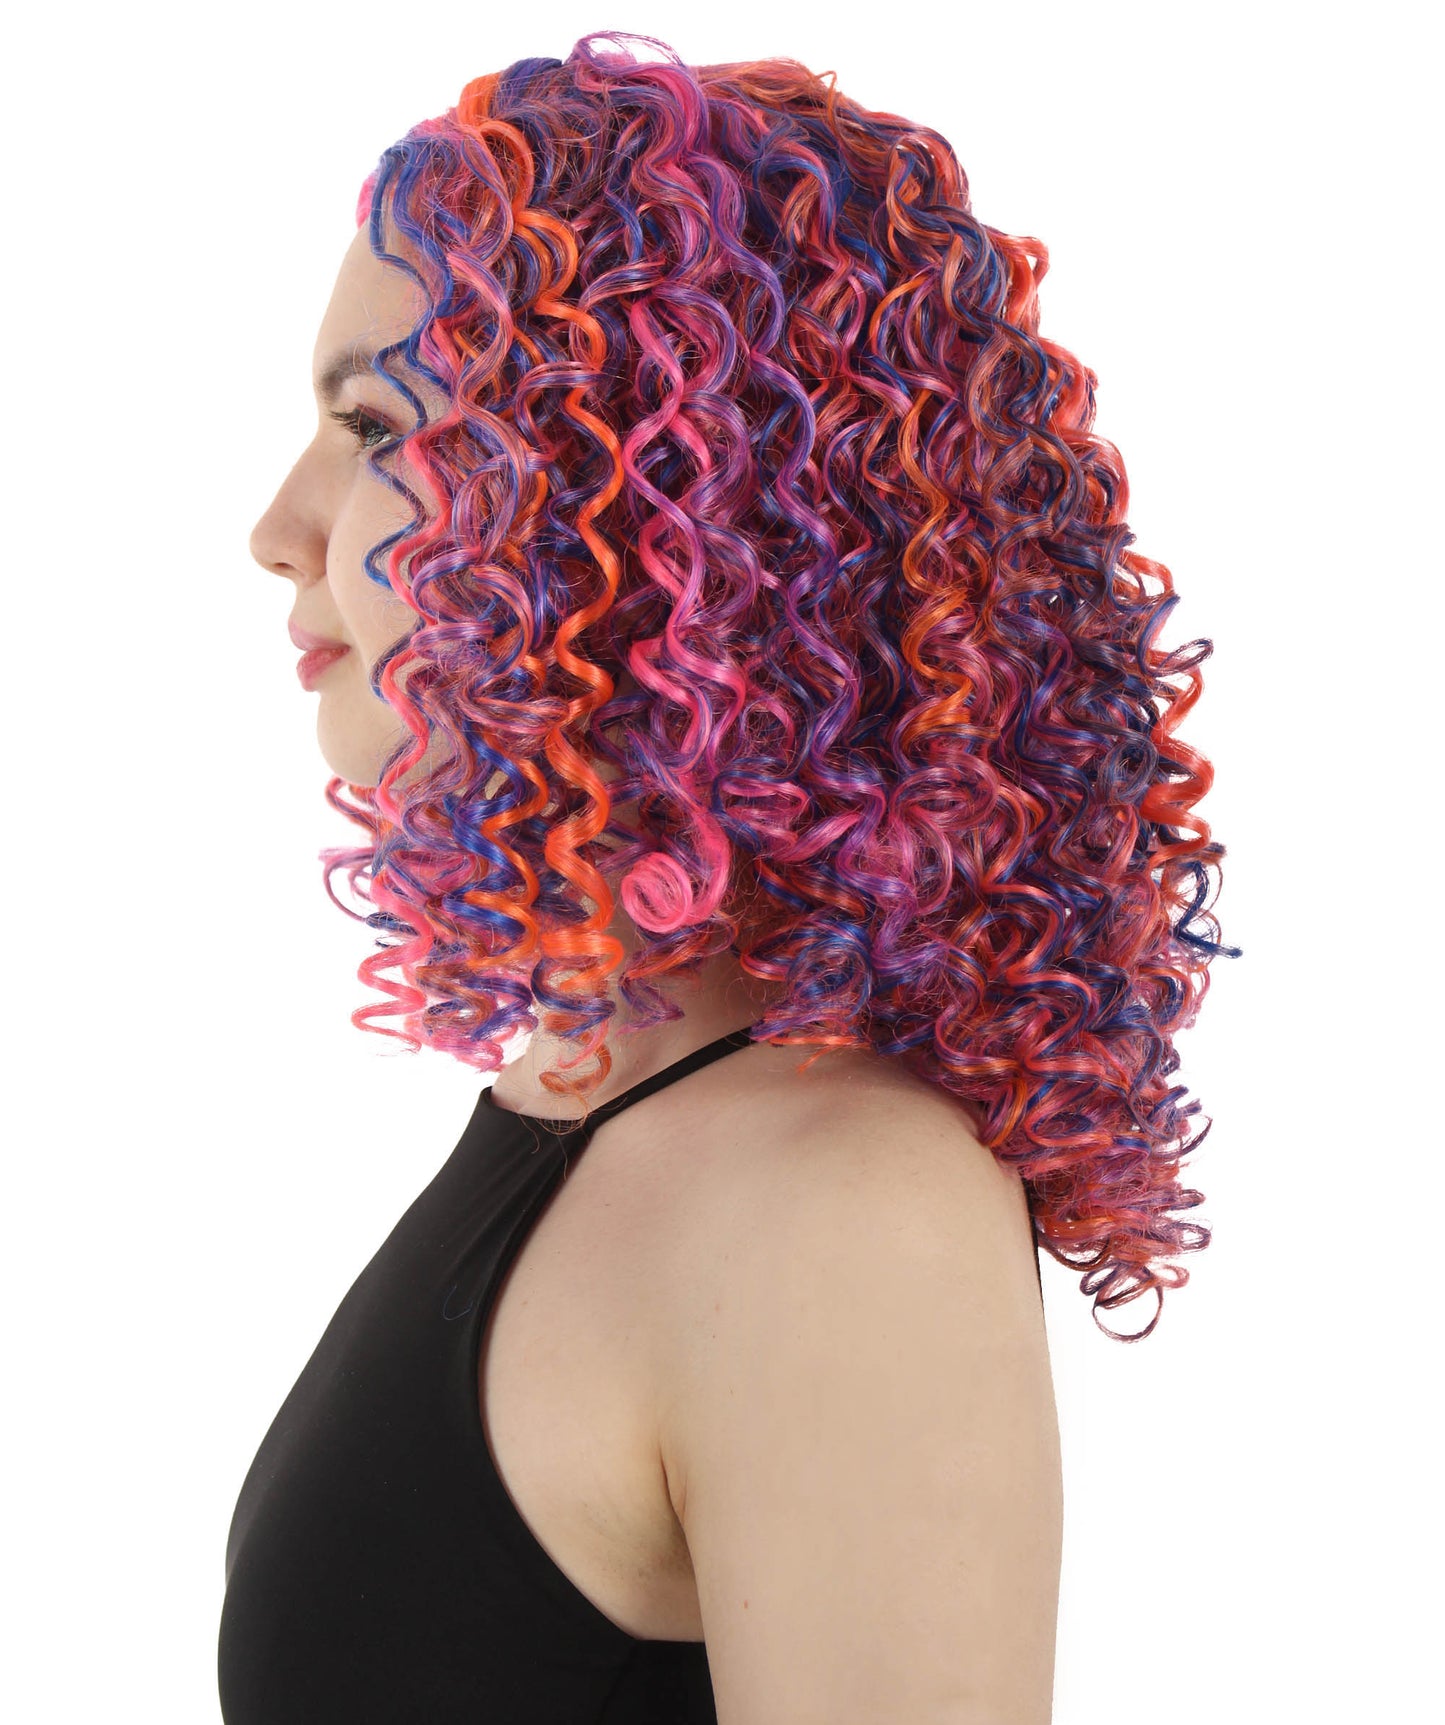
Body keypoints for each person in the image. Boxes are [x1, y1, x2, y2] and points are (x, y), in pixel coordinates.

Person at [223, 31, 1235, 1724]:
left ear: (653, 508)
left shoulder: (839, 1211)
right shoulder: (590, 1099)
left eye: (375, 423)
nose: (278, 524)